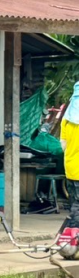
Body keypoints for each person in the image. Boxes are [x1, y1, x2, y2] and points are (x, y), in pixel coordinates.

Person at [59, 83, 79, 229]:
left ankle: (73, 238)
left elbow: (63, 145)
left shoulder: (66, 120)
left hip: (71, 168)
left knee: (75, 205)